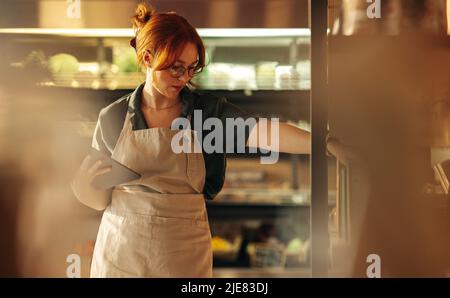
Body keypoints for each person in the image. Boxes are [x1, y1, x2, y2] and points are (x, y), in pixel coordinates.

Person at [71, 2, 311, 278]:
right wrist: (82, 188)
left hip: (182, 253)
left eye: (190, 68)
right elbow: (101, 198)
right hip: (122, 252)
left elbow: (263, 132)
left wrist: (323, 144)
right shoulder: (113, 117)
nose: (184, 77)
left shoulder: (206, 113)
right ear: (147, 58)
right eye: (175, 68)